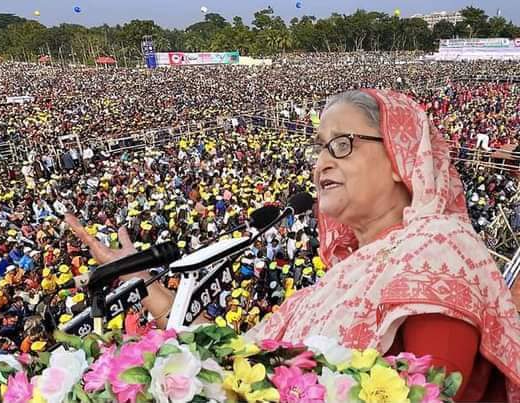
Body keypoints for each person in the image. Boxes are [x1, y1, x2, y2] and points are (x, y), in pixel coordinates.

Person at [65, 89, 520, 401]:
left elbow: (432, 389)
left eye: (341, 144)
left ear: (403, 157)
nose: (321, 162)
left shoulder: (439, 250)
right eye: (319, 147)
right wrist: (141, 279)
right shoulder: (341, 279)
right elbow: (237, 364)